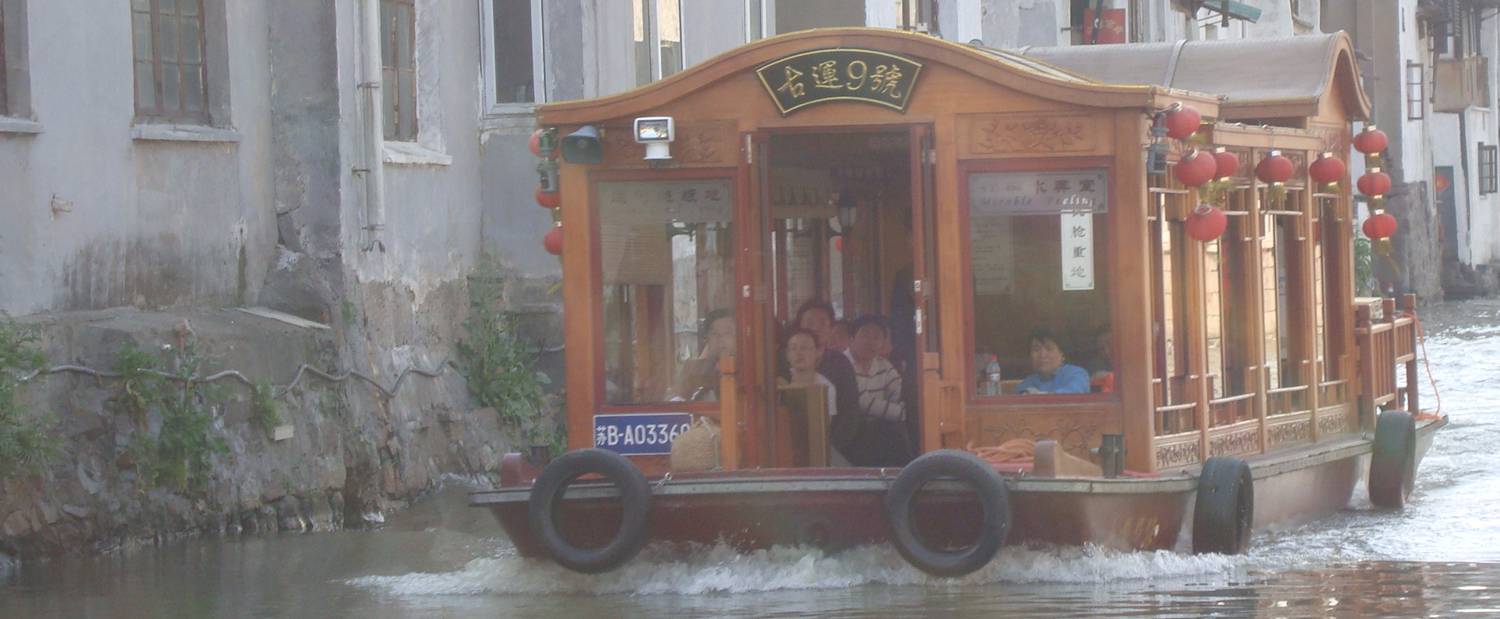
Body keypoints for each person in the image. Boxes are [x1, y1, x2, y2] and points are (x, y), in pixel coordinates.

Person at [842, 316, 914, 466]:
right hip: (851, 432)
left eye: (877, 337)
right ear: (852, 338)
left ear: (882, 343)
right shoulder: (842, 363)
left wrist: (901, 411)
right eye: (865, 335)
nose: (870, 342)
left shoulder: (883, 365)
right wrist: (901, 413)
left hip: (881, 428)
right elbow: (863, 403)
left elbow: (900, 393)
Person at [779, 328, 850, 466]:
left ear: (818, 352)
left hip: (816, 448)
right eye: (793, 348)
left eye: (805, 348)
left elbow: (823, 429)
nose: (799, 353)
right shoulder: (779, 383)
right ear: (787, 355)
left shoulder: (826, 387)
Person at [671, 309, 734, 401]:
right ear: (707, 338)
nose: (721, 338)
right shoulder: (692, 370)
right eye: (715, 333)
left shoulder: (750, 372)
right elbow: (676, 401)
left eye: (728, 333)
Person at [1016, 328, 1091, 395]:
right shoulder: (1026, 383)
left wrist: (1041, 396)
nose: (1042, 355)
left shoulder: (1077, 374)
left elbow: (1073, 394)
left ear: (1062, 354)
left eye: (1049, 348)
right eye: (1036, 349)